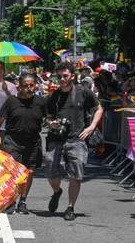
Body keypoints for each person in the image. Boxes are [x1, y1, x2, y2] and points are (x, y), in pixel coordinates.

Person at [43, 61, 104, 221]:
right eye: (59, 76)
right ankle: (57, 191)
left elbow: (99, 109)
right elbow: (48, 117)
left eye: (65, 76)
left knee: (76, 175)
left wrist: (91, 127)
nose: (62, 79)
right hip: (56, 139)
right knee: (50, 169)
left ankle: (70, 207)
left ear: (72, 76)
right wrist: (52, 123)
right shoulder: (54, 96)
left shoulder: (83, 92)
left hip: (77, 139)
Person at [0, 74, 46, 214]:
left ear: (35, 85)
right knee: (12, 172)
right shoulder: (11, 101)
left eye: (31, 85)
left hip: (32, 142)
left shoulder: (40, 101)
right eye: (25, 86)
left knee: (29, 172)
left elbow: (50, 117)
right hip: (12, 141)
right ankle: (11, 201)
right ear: (19, 86)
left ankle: (23, 200)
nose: (28, 88)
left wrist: (53, 123)